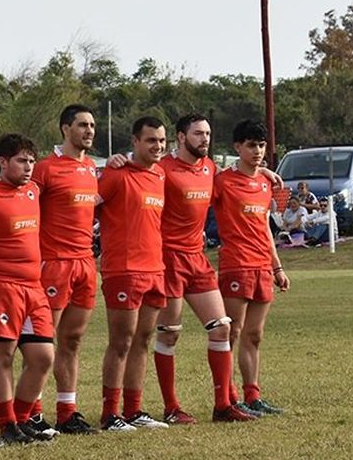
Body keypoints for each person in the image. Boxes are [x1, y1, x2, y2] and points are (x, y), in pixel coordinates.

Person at [152, 115, 240, 424]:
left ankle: (223, 405)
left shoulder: (210, 169)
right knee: (169, 335)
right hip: (167, 260)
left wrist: (263, 170)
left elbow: (231, 183)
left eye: (208, 134)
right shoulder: (161, 169)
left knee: (221, 327)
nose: (205, 139)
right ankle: (171, 408)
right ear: (180, 137)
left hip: (197, 259)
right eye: (198, 133)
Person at [212, 120, 290, 417]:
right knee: (232, 332)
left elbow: (266, 229)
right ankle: (229, 399)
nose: (257, 151)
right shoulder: (222, 181)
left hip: (262, 266)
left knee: (254, 335)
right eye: (250, 145)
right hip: (236, 265)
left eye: (261, 146)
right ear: (237, 148)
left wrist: (278, 267)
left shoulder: (265, 184)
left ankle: (253, 394)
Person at [96, 117, 170, 432]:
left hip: (155, 269)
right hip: (123, 270)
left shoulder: (161, 175)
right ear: (135, 142)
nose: (158, 147)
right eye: (151, 140)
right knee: (122, 341)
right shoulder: (116, 174)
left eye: (162, 141)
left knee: (143, 340)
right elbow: (86, 206)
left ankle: (134, 409)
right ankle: (110, 414)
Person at [32, 105, 101, 434]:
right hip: (53, 264)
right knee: (42, 344)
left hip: (86, 264)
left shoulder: (90, 168)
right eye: (82, 125)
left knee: (72, 340)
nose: (89, 130)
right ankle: (33, 411)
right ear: (65, 129)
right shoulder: (45, 168)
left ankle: (67, 410)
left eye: (92, 125)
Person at [0, 133, 55, 445]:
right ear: (2, 161)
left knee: (43, 357)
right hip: (1, 284)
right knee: (3, 356)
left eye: (31, 160)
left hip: (34, 286)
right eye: (21, 161)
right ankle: (7, 425)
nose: (28, 167)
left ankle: (22, 419)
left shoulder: (34, 191)